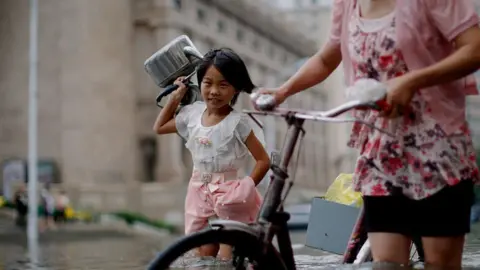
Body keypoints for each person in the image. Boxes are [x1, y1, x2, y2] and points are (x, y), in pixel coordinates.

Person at [258, 0, 480, 268]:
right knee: (385, 263)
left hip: (437, 148)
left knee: (440, 264)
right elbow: (328, 56)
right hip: (380, 152)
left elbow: (474, 48)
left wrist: (411, 81)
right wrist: (283, 91)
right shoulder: (347, 5)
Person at [153, 48, 270, 259]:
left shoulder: (239, 123)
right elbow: (159, 127)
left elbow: (263, 160)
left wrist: (245, 187)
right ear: (200, 84)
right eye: (208, 83)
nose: (214, 91)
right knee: (201, 252)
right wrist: (176, 96)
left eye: (223, 85)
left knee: (228, 253)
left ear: (235, 89)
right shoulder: (192, 114)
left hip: (229, 193)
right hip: (198, 190)